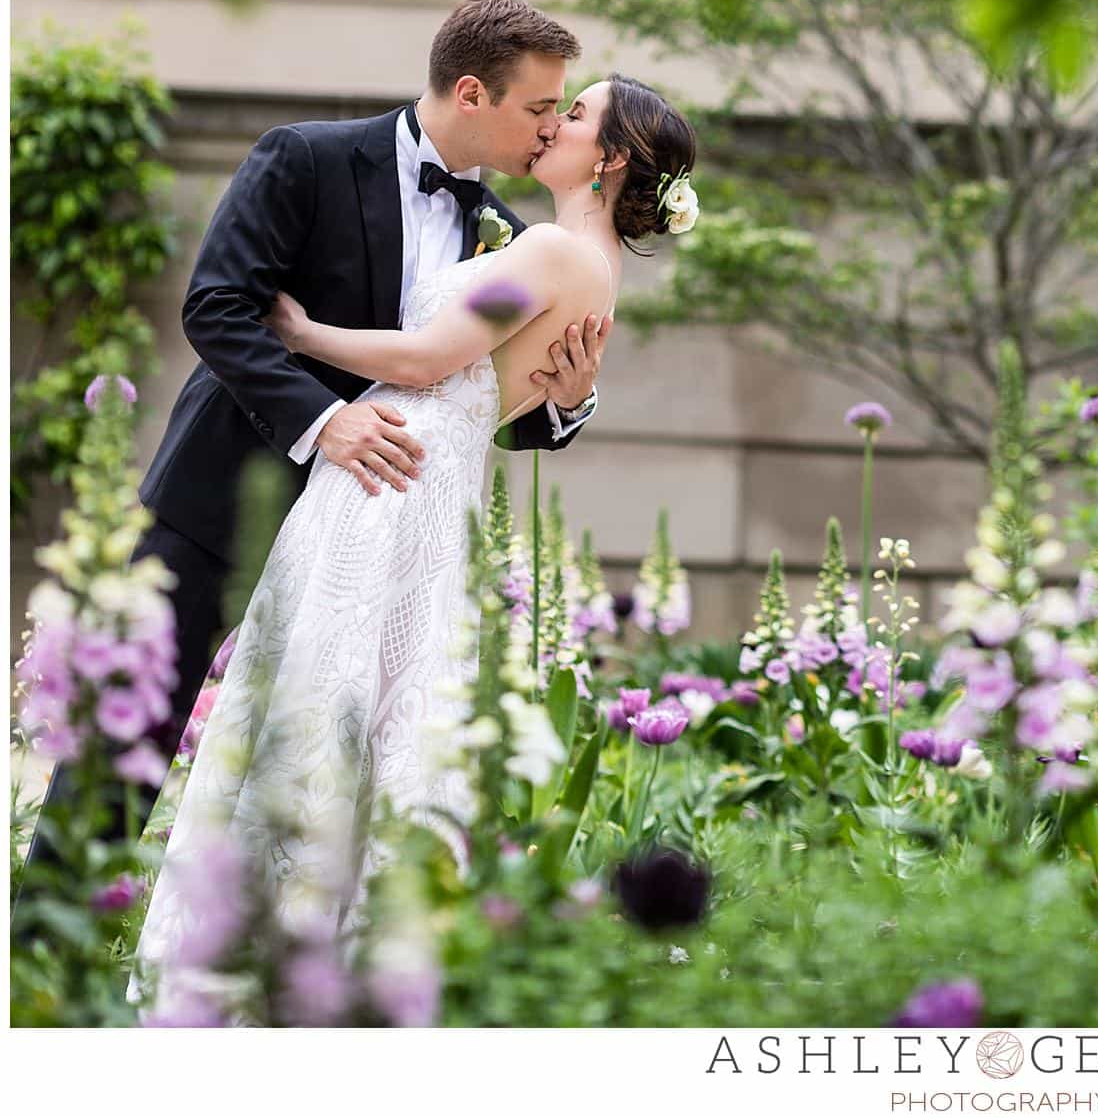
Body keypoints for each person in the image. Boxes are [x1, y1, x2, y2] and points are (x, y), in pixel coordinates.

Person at [132, 72, 697, 1003]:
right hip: (416, 483)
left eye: (576, 113)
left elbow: (435, 359)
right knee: (367, 707)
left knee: (321, 697)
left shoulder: (553, 249)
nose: (554, 122)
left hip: (388, 481)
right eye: (550, 104)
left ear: (613, 157)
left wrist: (304, 330)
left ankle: (260, 955)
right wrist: (566, 395)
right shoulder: (578, 257)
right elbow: (517, 383)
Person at [25, 0, 608, 874]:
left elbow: (470, 404)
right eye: (536, 109)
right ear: (471, 92)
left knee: (308, 769)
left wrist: (569, 401)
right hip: (219, 500)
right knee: (125, 746)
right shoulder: (306, 158)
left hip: (369, 538)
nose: (545, 130)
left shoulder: (510, 242)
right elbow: (216, 308)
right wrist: (324, 421)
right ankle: (50, 968)